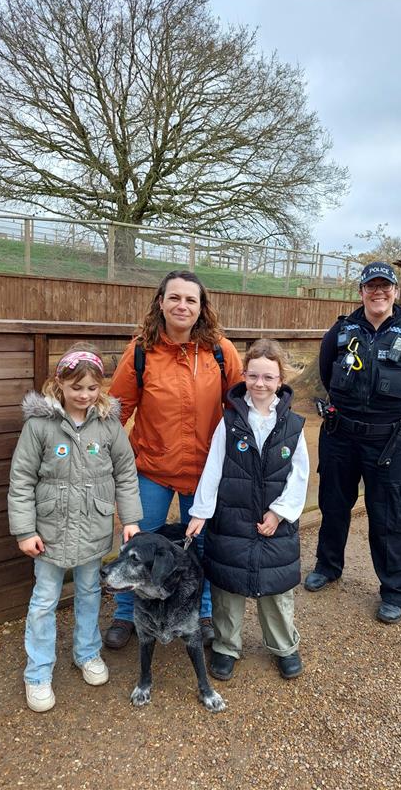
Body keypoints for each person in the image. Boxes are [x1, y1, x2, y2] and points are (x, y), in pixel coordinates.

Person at [104, 270, 244, 649]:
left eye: (191, 300)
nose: (182, 305)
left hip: (203, 472)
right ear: (161, 303)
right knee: (136, 542)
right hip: (151, 469)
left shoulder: (220, 351)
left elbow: (241, 404)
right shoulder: (140, 351)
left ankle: (200, 611)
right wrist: (105, 454)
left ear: (202, 308)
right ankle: (125, 611)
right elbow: (117, 410)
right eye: (175, 298)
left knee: (202, 546)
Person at [8, 342, 143, 713]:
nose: (84, 395)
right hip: (48, 533)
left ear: (101, 387)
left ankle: (87, 653)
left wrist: (130, 520)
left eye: (92, 388)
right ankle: (37, 671)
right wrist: (24, 531)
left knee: (89, 593)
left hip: (94, 528)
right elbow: (21, 479)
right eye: (76, 387)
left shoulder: (108, 425)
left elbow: (126, 473)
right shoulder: (40, 426)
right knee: (44, 601)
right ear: (60, 384)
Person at [304, 261, 401, 624]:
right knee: (333, 507)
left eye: (385, 287)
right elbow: (324, 373)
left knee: (389, 517)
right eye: (371, 286)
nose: (378, 293)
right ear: (361, 291)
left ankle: (395, 591)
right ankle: (328, 566)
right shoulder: (340, 331)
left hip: (389, 443)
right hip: (340, 436)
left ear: (395, 291)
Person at [186, 338, 310, 681]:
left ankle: (284, 646)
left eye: (268, 378)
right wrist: (201, 512)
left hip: (275, 523)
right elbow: (214, 468)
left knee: (277, 591)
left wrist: (280, 512)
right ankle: (227, 646)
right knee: (228, 589)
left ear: (280, 381)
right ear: (245, 376)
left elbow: (299, 476)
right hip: (232, 518)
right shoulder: (230, 421)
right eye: (254, 376)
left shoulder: (293, 426)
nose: (260, 384)